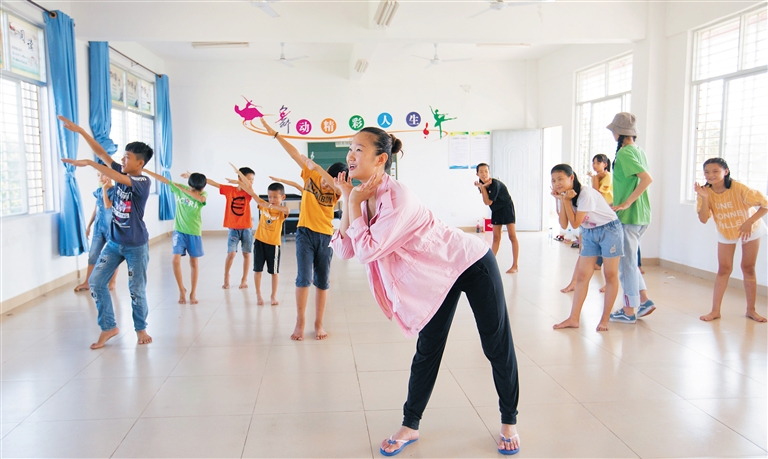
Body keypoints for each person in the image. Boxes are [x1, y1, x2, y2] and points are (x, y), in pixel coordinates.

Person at [331, 127, 520, 456]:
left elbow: (367, 251)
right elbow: (346, 250)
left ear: (381, 158)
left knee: (495, 342)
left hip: (470, 262)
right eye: (350, 148)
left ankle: (509, 420)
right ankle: (410, 425)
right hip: (435, 277)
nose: (350, 155)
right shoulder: (360, 196)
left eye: (358, 149)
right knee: (428, 349)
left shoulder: (398, 197)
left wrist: (354, 200)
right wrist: (350, 201)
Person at [58, 115, 153, 349]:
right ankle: (109, 327)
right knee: (96, 282)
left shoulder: (142, 182)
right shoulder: (122, 171)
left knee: (136, 289)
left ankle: (140, 328)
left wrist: (90, 164)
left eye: (127, 157)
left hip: (136, 245)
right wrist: (82, 131)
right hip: (114, 242)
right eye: (124, 156)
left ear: (139, 163)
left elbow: (115, 176)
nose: (122, 159)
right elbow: (102, 153)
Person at [260, 118, 347, 340]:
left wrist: (321, 171)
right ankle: (300, 322)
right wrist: (276, 135)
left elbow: (335, 186)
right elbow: (294, 154)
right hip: (305, 234)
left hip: (326, 237)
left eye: (332, 181)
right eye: (328, 178)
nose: (327, 183)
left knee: (322, 281)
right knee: (303, 278)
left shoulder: (337, 190)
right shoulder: (312, 175)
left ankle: (319, 324)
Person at [550, 164, 623, 331]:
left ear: (571, 178)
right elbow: (564, 224)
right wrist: (560, 200)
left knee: (610, 274)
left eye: (560, 179)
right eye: (553, 180)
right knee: (582, 275)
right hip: (589, 231)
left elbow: (575, 223)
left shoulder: (585, 194)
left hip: (609, 229)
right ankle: (573, 318)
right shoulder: (565, 196)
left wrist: (565, 201)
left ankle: (605, 319)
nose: (557, 183)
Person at [695, 158, 767, 322]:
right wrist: (705, 198)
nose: (710, 175)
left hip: (749, 229)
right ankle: (715, 311)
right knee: (724, 268)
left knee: (748, 267)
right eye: (707, 172)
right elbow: (703, 219)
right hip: (726, 230)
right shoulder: (704, 192)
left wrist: (749, 222)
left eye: (715, 171)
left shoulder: (739, 188)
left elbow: (765, 204)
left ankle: (751, 310)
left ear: (725, 171)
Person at [606, 113, 656, 324]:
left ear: (617, 133)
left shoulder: (625, 153)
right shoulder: (638, 150)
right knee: (630, 261)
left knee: (625, 265)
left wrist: (626, 203)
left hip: (630, 216)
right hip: (641, 215)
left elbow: (646, 179)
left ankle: (628, 310)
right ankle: (643, 300)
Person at [146, 170, 207, 305]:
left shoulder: (203, 194)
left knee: (194, 262)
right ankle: (181, 290)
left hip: (194, 232)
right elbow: (163, 179)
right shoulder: (181, 188)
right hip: (179, 231)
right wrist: (145, 170)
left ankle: (193, 292)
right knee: (175, 260)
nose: (197, 191)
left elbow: (201, 199)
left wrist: (182, 189)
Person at [231, 169, 290, 306]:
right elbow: (252, 192)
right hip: (259, 242)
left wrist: (269, 205)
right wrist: (240, 181)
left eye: (275, 197)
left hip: (274, 245)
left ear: (283, 197)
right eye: (270, 197)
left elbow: (286, 210)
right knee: (257, 270)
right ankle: (259, 295)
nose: (272, 200)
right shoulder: (263, 205)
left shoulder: (281, 211)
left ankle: (273, 296)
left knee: (274, 272)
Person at [203, 168, 255, 289]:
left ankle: (244, 279)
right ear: (240, 178)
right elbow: (214, 183)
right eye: (248, 179)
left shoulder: (249, 192)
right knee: (231, 254)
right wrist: (195, 177)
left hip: (246, 228)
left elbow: (250, 188)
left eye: (252, 180)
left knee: (246, 254)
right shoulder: (230, 190)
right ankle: (226, 277)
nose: (251, 182)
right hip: (233, 228)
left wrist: (242, 182)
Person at [74, 172, 118, 292]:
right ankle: (87, 282)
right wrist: (89, 226)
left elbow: (108, 206)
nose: (100, 178)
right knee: (93, 254)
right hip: (98, 228)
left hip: (111, 229)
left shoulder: (116, 191)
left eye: (103, 175)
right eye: (98, 175)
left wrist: (104, 190)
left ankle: (112, 281)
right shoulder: (98, 192)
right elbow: (96, 210)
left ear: (110, 175)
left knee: (113, 255)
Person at [475, 163, 519, 273]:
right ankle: (490, 264)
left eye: (486, 171)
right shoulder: (482, 184)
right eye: (481, 172)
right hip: (496, 210)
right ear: (477, 174)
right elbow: (486, 202)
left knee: (512, 236)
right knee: (496, 237)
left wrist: (482, 188)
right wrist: (482, 188)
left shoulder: (494, 184)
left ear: (489, 172)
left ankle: (515, 265)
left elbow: (488, 201)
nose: (484, 174)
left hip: (506, 207)